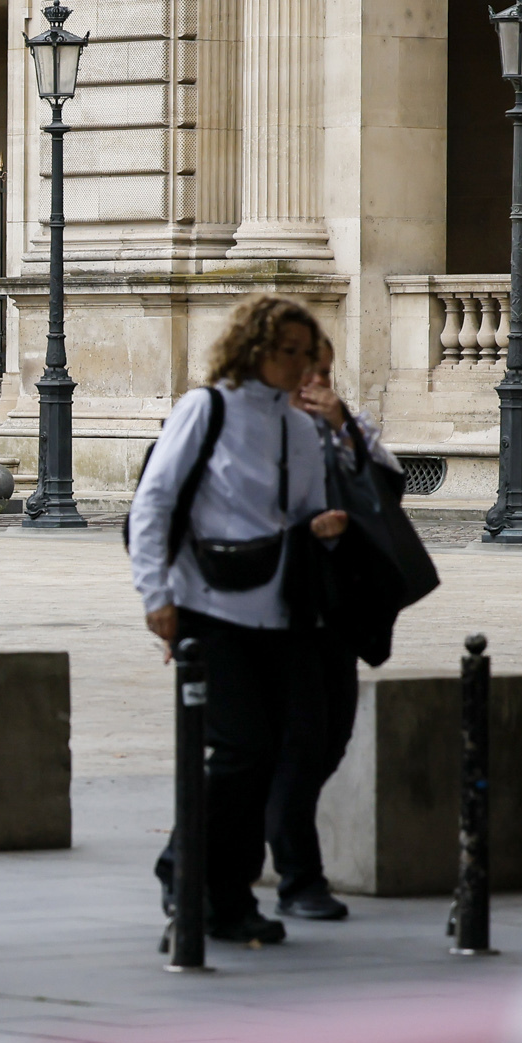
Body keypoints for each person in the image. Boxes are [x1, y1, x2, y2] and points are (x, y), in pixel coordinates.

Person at [126, 293, 350, 951]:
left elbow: (310, 513)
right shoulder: (207, 408)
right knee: (236, 752)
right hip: (211, 604)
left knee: (263, 757)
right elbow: (154, 502)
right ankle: (194, 881)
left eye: (305, 353)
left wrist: (327, 530)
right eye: (286, 351)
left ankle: (225, 894)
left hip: (283, 611)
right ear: (252, 348)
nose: (297, 364)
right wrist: (155, 596)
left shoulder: (303, 426)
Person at [268, 337, 433, 920]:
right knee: (289, 744)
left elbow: (388, 487)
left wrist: (345, 430)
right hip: (270, 608)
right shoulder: (247, 425)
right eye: (304, 372)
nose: (314, 385)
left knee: (329, 737)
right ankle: (299, 876)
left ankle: (189, 856)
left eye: (323, 374)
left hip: (335, 601)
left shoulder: (342, 425)